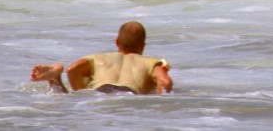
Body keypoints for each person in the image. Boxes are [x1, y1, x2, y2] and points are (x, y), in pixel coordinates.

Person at [29, 21, 173, 95]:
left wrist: (82, 92)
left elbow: (72, 69)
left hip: (100, 92)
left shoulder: (98, 58)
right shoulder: (150, 62)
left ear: (117, 42)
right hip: (128, 94)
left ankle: (55, 77)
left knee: (66, 96)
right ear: (142, 46)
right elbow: (165, 82)